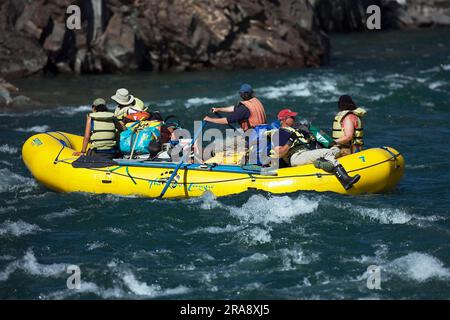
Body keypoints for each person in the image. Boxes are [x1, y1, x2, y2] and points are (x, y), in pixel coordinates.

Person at [271, 109, 360, 190]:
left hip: (305, 153)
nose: (294, 118)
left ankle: (320, 162)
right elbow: (279, 153)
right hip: (295, 157)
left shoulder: (295, 130)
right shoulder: (279, 133)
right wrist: (290, 141)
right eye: (292, 117)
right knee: (327, 152)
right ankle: (345, 180)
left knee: (336, 149)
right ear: (284, 120)